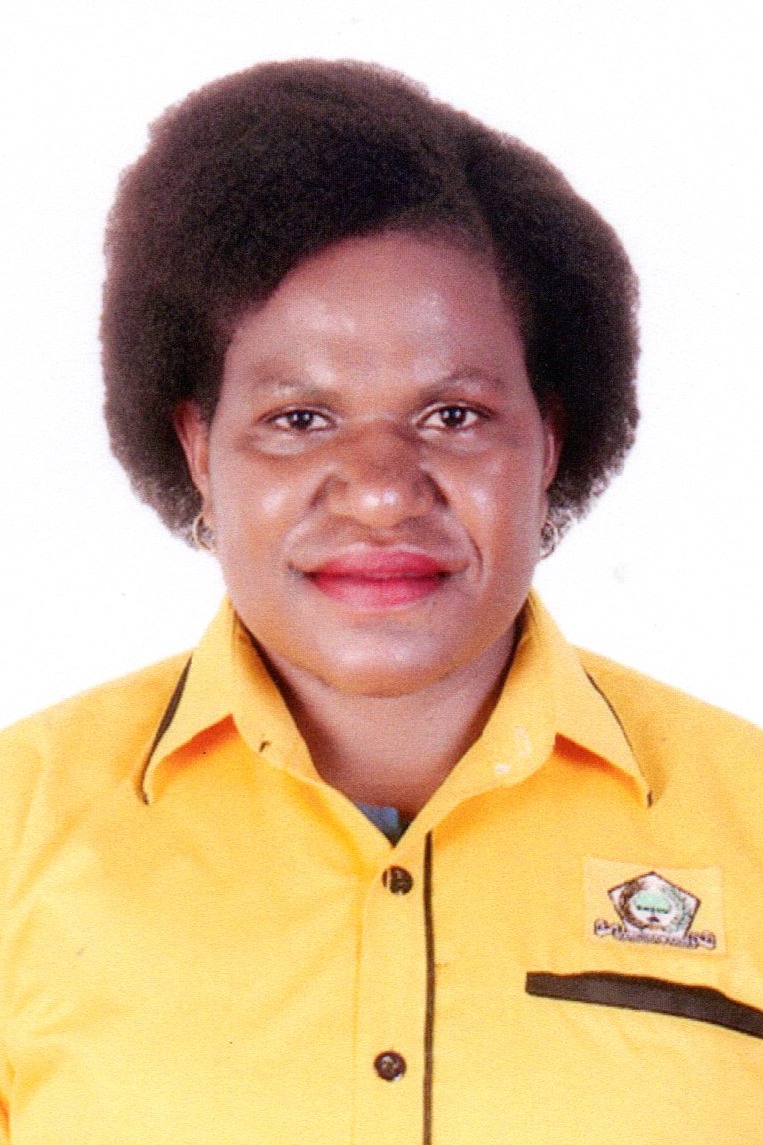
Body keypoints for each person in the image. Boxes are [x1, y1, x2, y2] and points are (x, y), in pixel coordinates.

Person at [0, 58, 761, 1145]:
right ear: (197, 447)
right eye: (299, 418)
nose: (380, 490)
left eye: (452, 415)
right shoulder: (17, 826)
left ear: (549, 438)